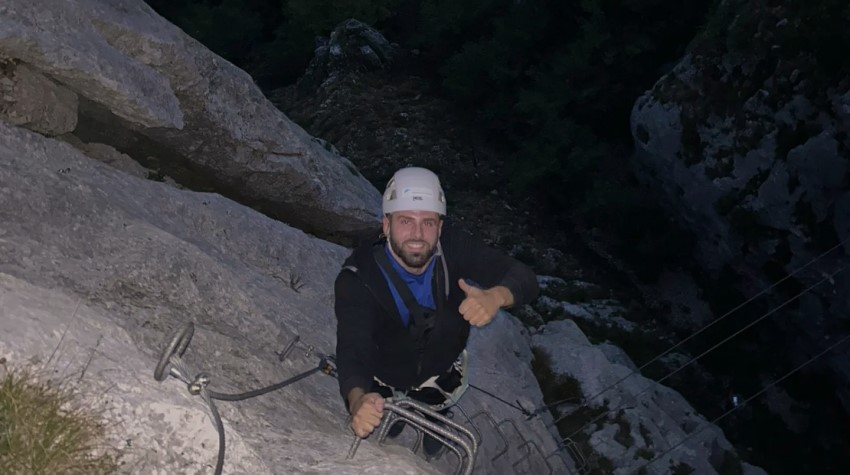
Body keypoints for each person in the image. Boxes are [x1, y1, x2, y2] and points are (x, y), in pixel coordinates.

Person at [333, 166, 539, 456]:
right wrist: (357, 401)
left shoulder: (452, 247)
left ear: (440, 228)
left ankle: (432, 408)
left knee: (448, 317)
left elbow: (524, 277)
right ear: (386, 225)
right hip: (386, 368)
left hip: (440, 365)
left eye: (428, 223)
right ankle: (390, 404)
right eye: (406, 220)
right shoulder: (358, 277)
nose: (417, 234)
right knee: (379, 406)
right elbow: (353, 348)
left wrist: (496, 296)